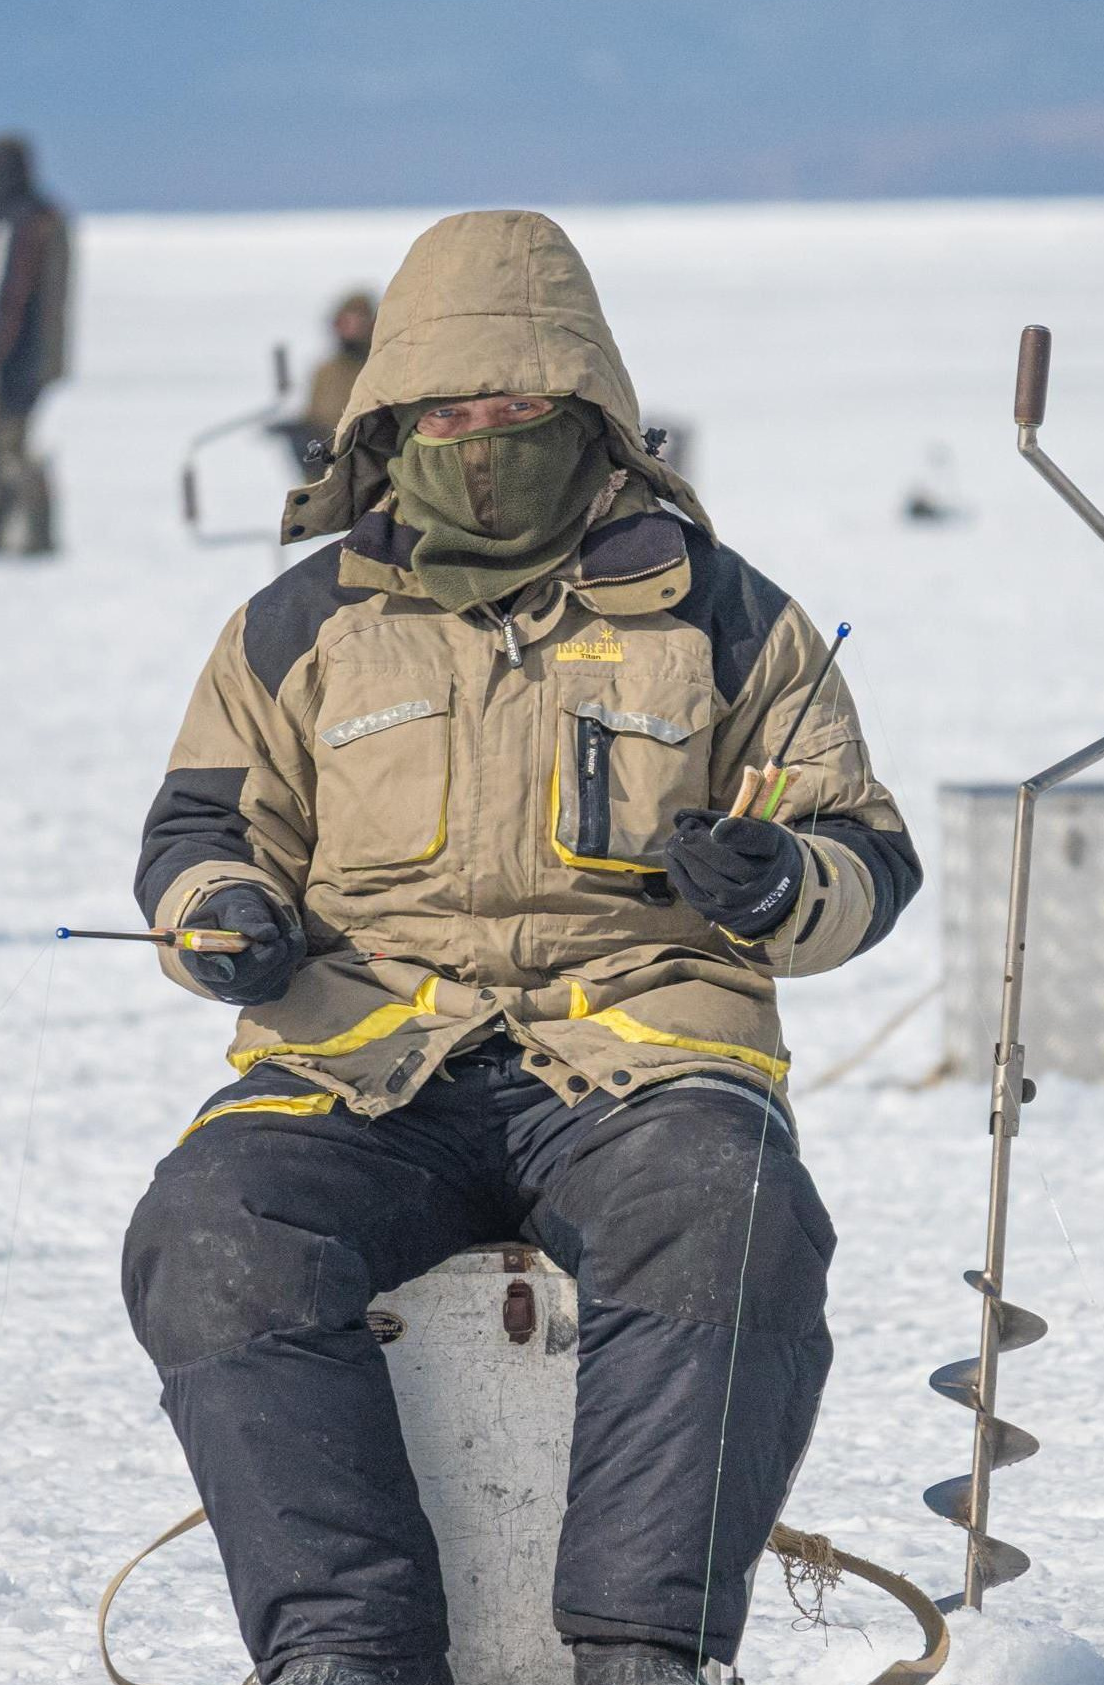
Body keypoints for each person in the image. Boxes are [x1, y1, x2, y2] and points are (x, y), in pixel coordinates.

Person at [122, 210, 921, 1685]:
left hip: (642, 1052)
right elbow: (195, 830)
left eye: (518, 411)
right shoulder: (299, 625)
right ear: (388, 424)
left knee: (729, 1209)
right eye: (447, 412)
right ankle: (343, 1654)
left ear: (592, 419)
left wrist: (774, 880)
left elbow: (868, 854)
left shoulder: (728, 620)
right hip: (358, 1057)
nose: (481, 438)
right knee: (210, 1233)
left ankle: (639, 1651)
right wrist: (221, 919)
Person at [0, 132, 71, 555]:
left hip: (18, 361)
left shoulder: (23, 227)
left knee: (6, 447)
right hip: (31, 360)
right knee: (0, 444)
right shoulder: (37, 221)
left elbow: (9, 298)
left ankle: (27, 536)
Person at [275, 288, 375, 472]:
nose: (349, 330)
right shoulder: (326, 371)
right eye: (343, 323)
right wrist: (297, 430)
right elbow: (315, 416)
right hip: (329, 470)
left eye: (357, 323)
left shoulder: (382, 368)